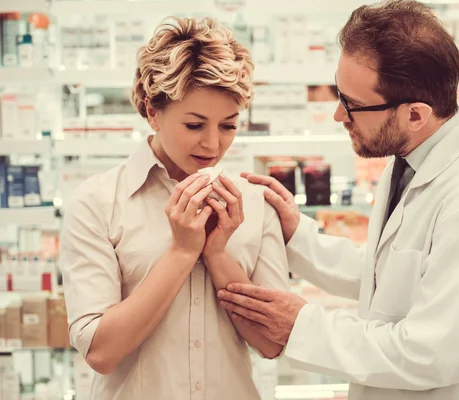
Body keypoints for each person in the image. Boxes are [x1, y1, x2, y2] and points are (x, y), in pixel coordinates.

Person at [218, 1, 459, 399]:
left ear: (415, 115)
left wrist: (300, 325)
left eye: (352, 104)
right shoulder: (410, 162)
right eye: (340, 94)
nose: (339, 115)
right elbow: (392, 274)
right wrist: (296, 236)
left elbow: (430, 354)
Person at [60, 17, 288, 400]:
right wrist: (182, 252)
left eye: (229, 126)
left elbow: (271, 343)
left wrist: (217, 255)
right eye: (195, 125)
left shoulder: (251, 202)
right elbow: (101, 352)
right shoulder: (98, 202)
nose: (213, 144)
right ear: (152, 112)